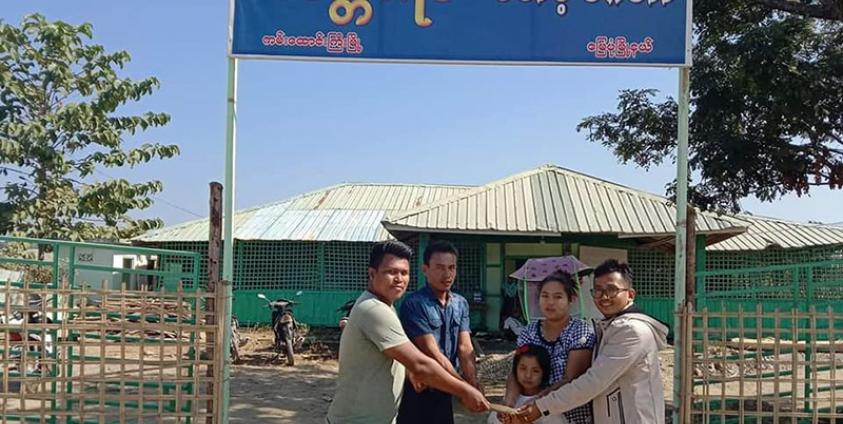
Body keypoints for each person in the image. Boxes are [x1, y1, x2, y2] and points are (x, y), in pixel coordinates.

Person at [326, 241, 488, 424]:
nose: (399, 279)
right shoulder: (376, 309)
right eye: (391, 272)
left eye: (404, 273)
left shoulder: (386, 307)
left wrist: (409, 371)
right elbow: (421, 363)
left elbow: (397, 356)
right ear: (372, 274)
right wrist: (465, 390)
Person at [510, 260, 669, 424]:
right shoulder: (608, 326)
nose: (604, 297)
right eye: (598, 291)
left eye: (612, 290)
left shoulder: (631, 331)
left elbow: (593, 382)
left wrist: (541, 406)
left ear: (630, 295)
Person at [397, 240, 480, 424]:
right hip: (421, 386)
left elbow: (465, 348)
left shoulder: (460, 303)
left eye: (452, 268)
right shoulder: (414, 304)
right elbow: (432, 352)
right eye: (440, 268)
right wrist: (464, 389)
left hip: (447, 388)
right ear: (425, 269)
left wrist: (473, 382)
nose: (447, 274)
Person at [502, 272, 595, 424]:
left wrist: (539, 404)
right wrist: (509, 405)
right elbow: (515, 372)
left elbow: (571, 379)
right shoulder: (529, 331)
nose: (550, 302)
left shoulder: (580, 330)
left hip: (570, 414)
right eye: (545, 296)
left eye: (558, 297)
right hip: (530, 413)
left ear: (571, 299)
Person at [488, 345, 563, 424]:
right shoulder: (510, 400)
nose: (528, 375)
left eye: (535, 371)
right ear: (515, 369)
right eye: (523, 369)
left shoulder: (547, 403)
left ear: (544, 373)